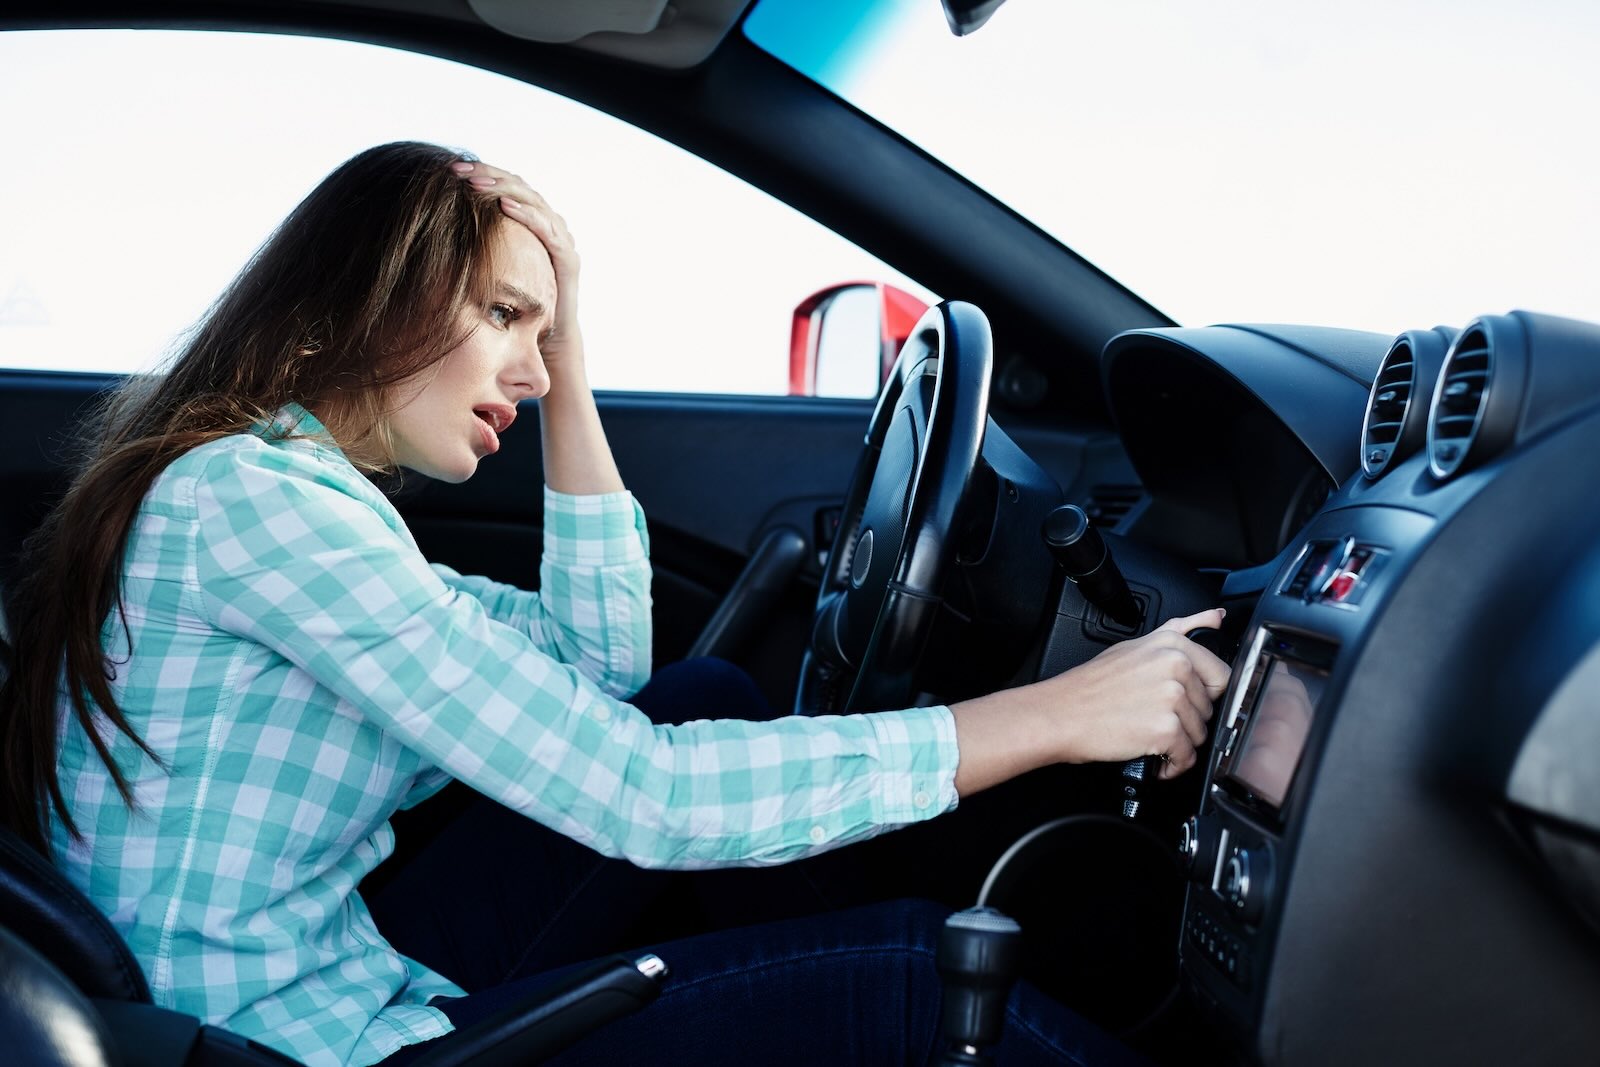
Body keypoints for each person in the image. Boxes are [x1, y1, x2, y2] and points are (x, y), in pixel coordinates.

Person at [0, 142, 1230, 1066]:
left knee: (702, 695)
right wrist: (1060, 715)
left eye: (546, 335)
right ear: (369, 293)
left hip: (313, 972)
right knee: (919, 977)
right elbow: (636, 790)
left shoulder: (283, 497)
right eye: (503, 316)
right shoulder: (260, 512)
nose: (533, 375)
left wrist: (569, 336)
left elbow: (600, 669)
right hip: (283, 1042)